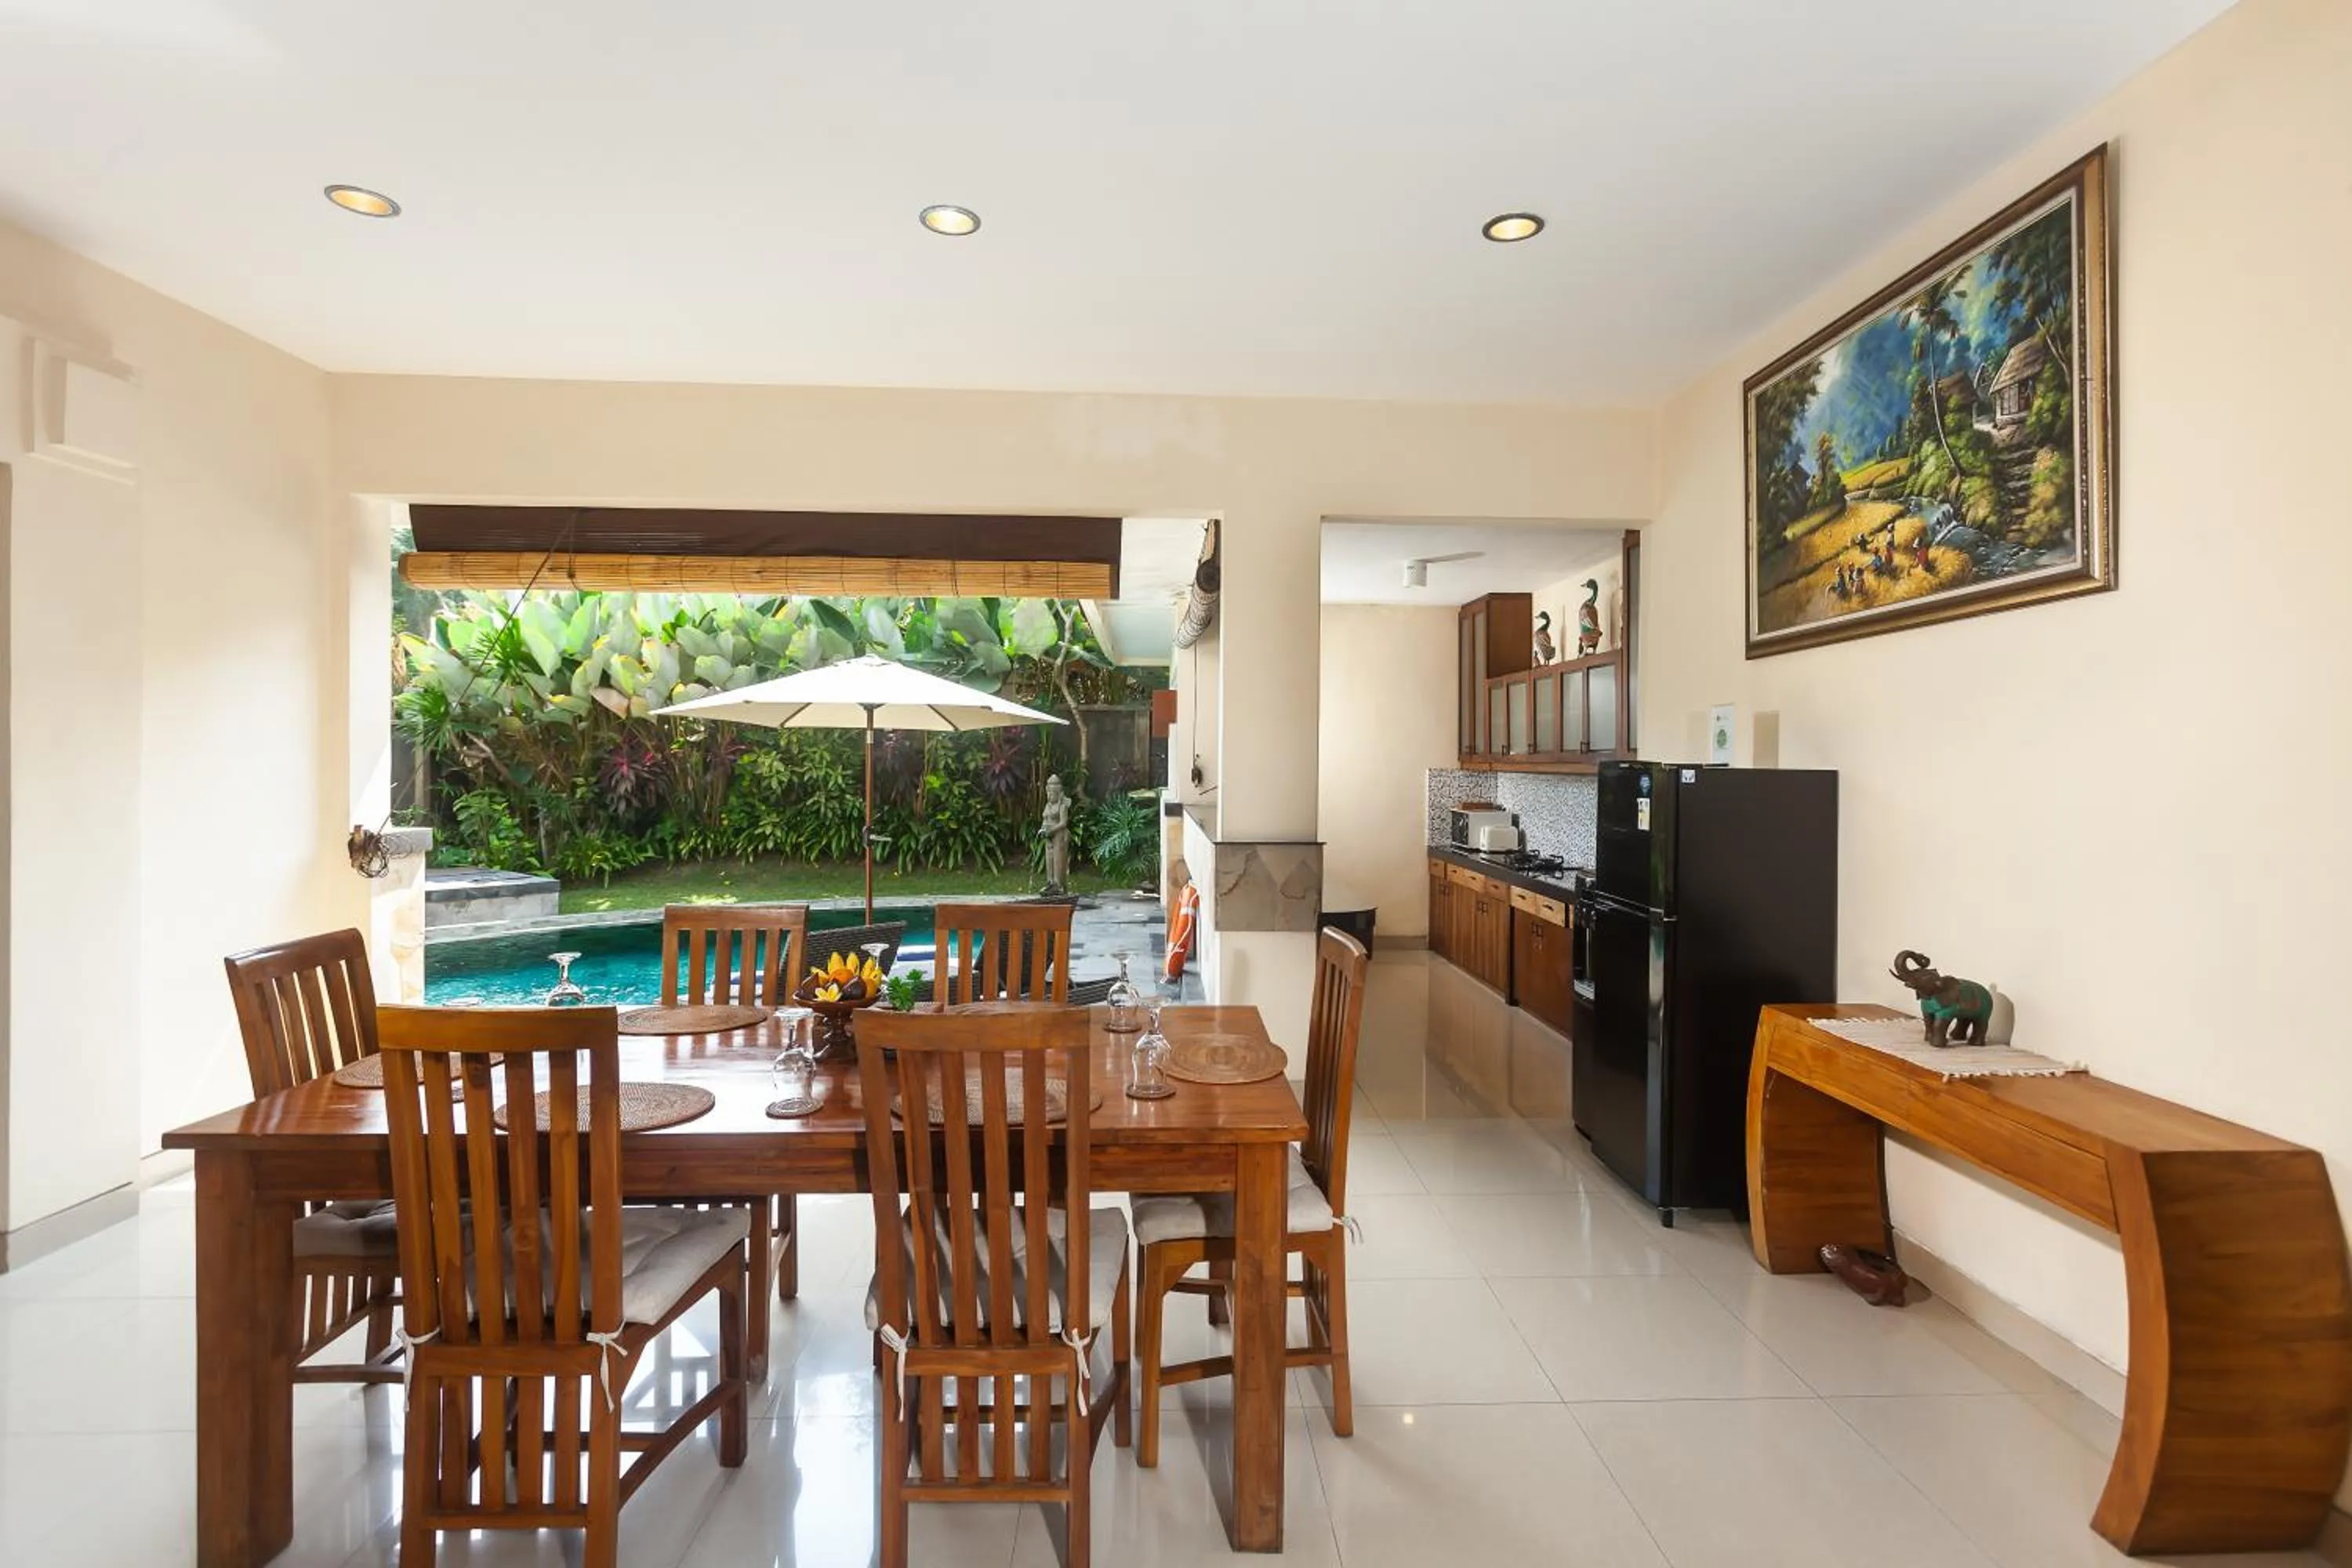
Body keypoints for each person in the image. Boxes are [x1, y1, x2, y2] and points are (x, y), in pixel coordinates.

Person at [1038, 774, 1073, 895]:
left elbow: (1063, 823)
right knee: (1049, 859)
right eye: (1048, 793)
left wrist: (1052, 830)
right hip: (1049, 838)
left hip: (1059, 836)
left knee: (1058, 860)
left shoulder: (1062, 806)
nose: (1049, 796)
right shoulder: (1048, 806)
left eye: (1052, 793)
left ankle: (1059, 885)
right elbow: (1045, 819)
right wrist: (1043, 829)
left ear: (1058, 793)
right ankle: (1050, 882)